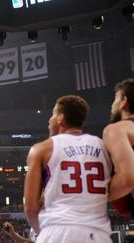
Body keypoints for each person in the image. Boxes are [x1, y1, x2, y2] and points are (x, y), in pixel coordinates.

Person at [24, 95, 112, 243]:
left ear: (60, 118)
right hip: (97, 233)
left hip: (57, 231)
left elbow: (30, 208)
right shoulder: (103, 146)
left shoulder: (41, 149)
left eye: (52, 114)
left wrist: (43, 233)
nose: (49, 120)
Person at [103, 78, 134, 217]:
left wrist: (94, 198)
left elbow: (127, 179)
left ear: (124, 102)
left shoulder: (117, 129)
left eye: (116, 98)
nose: (112, 104)